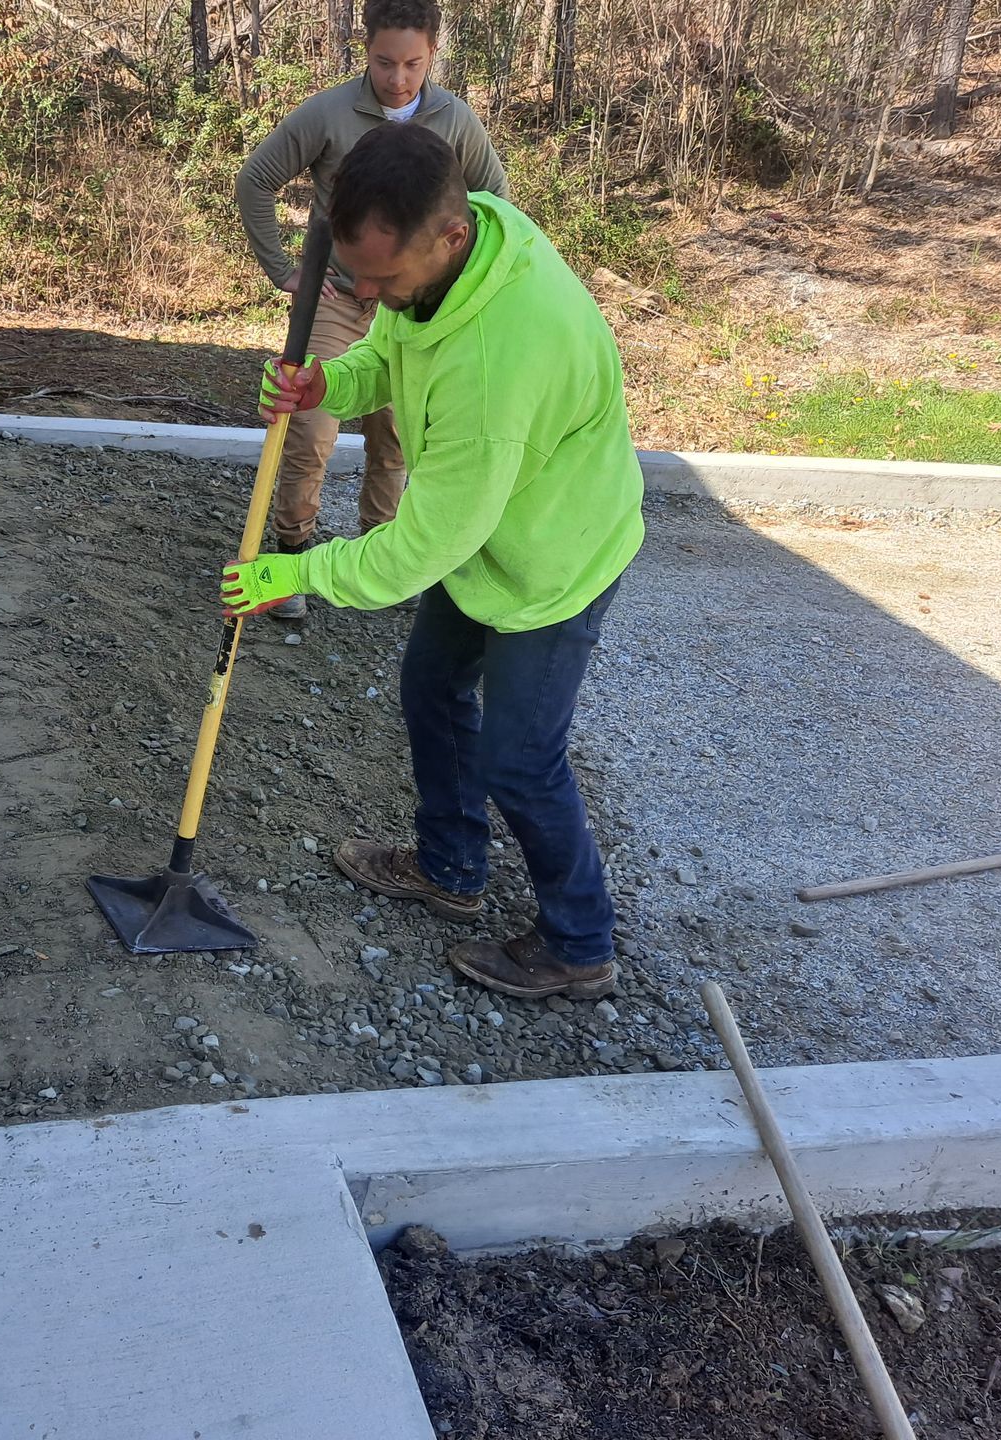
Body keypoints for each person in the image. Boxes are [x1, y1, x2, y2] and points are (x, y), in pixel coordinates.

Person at [220, 124, 645, 1000]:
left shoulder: (499, 364)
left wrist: (299, 572)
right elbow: (395, 351)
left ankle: (580, 943)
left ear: (448, 238)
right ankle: (452, 868)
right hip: (492, 531)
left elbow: (423, 546)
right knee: (431, 685)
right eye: (355, 275)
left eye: (383, 279)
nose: (365, 295)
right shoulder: (461, 247)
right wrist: (326, 385)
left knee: (521, 762)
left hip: (553, 560)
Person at [235, 0, 507, 620]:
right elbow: (256, 179)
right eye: (385, 62)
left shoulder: (456, 121)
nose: (399, 78)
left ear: (433, 53)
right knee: (311, 425)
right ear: (366, 51)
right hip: (340, 297)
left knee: (398, 433)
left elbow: (496, 206)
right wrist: (287, 271)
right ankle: (292, 552)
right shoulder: (330, 113)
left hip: (415, 307)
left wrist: (460, 294)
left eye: (413, 63)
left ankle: (376, 555)